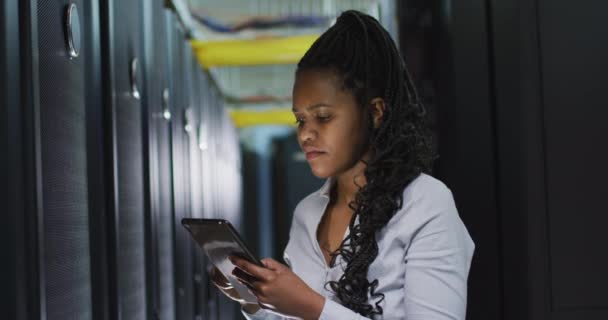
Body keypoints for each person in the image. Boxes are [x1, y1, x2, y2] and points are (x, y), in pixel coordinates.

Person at [211, 10, 475, 320]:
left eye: (323, 117)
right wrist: (256, 300)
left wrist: (310, 305)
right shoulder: (307, 214)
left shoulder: (426, 204)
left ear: (375, 112)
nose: (306, 134)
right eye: (300, 120)